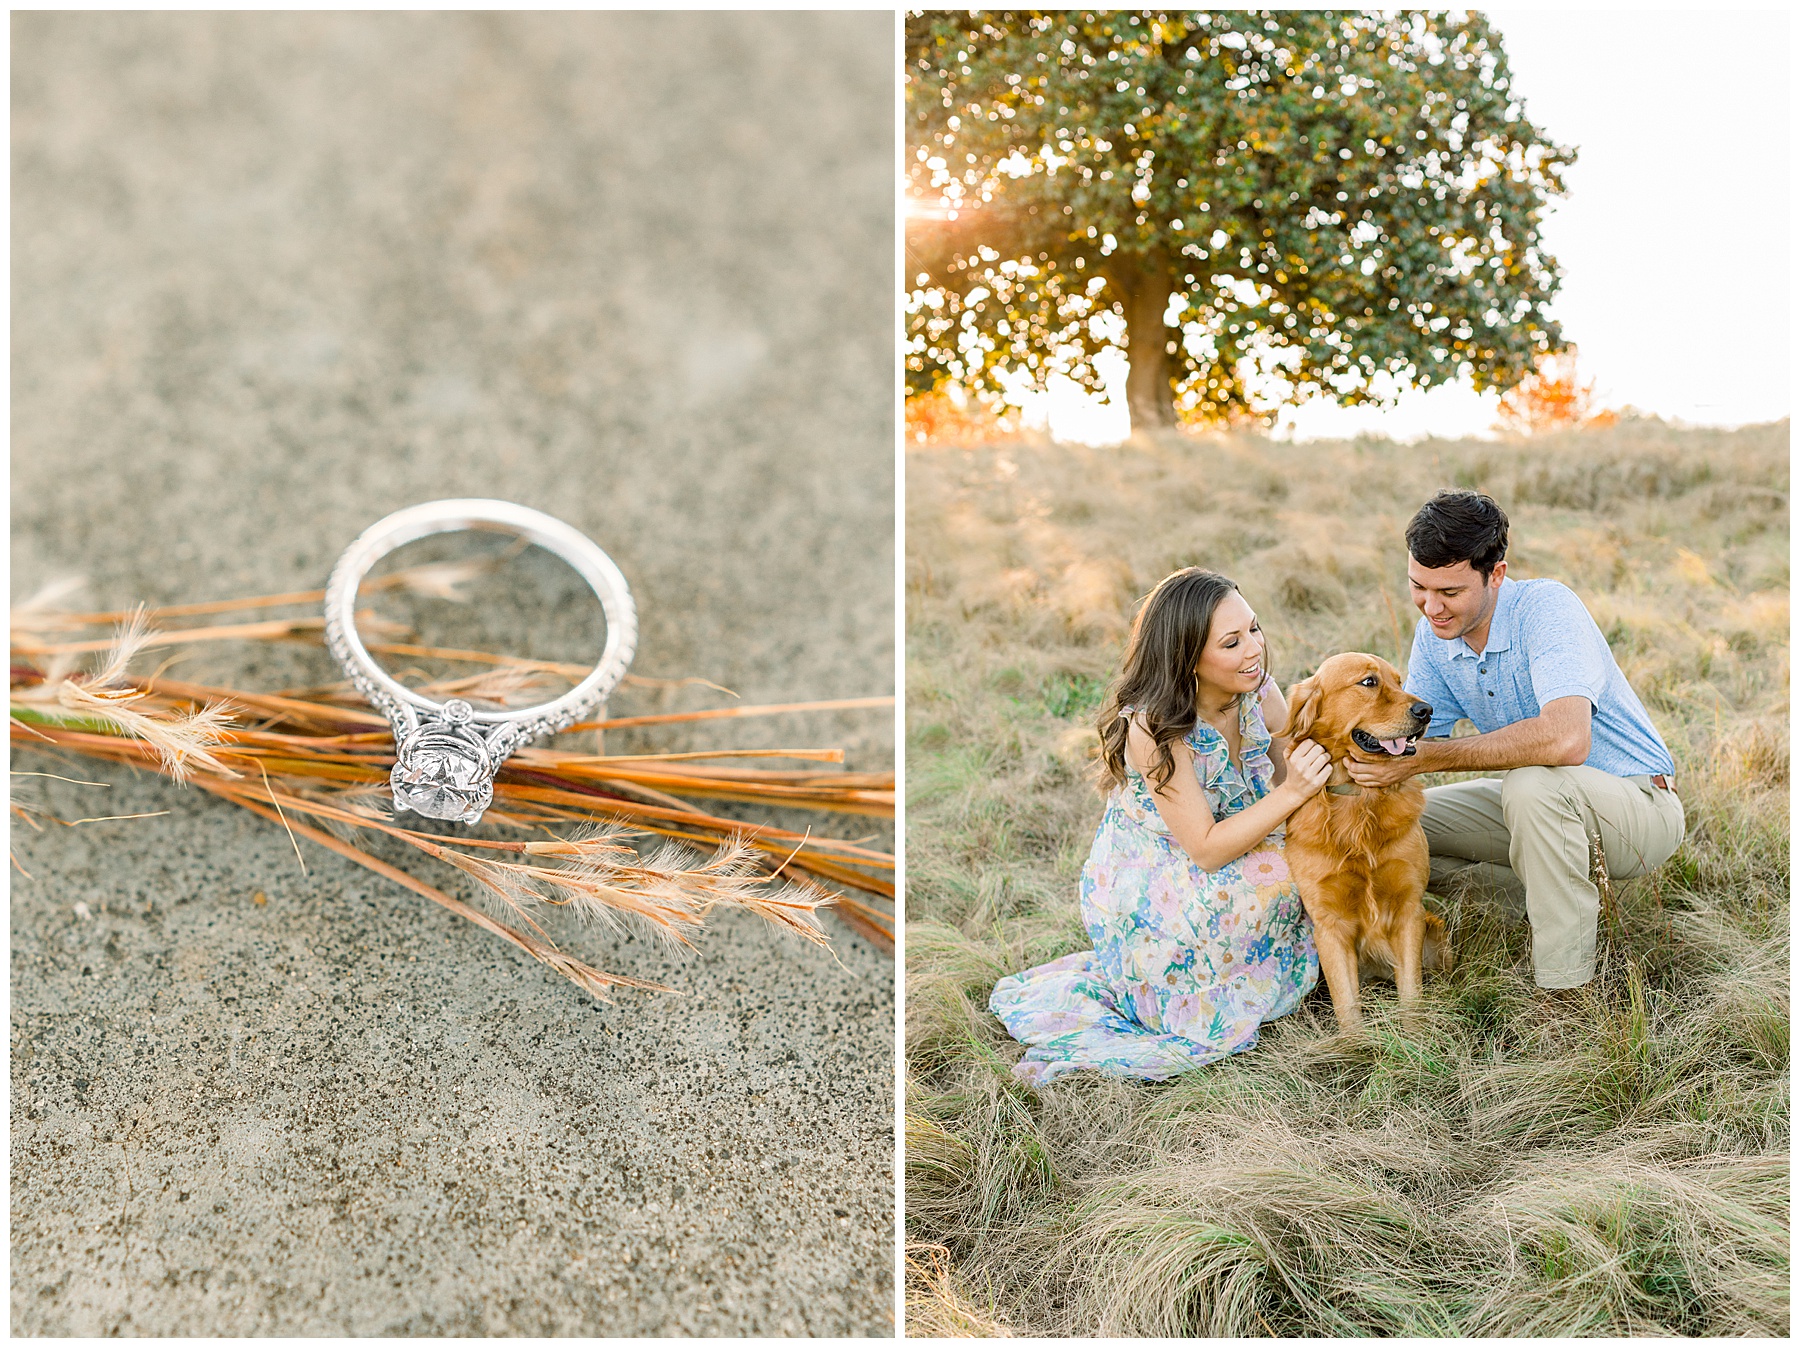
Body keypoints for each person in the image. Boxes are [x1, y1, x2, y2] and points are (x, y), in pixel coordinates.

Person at [989, 568, 1333, 1085]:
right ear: (1187, 657)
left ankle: (1306, 960)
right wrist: (1290, 794)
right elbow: (1207, 848)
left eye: (1255, 629)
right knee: (1278, 875)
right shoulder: (1154, 727)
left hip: (1244, 834)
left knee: (1313, 857)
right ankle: (1205, 989)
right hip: (1163, 873)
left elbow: (1294, 779)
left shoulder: (1259, 690)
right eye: (1231, 642)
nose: (1253, 650)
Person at [1346, 489, 1684, 990]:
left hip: (1639, 806)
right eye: (1419, 587)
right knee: (1394, 829)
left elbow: (1567, 741)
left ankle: (1565, 989)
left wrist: (1426, 759)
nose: (1431, 607)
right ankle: (1566, 901)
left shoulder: (1547, 608)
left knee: (1530, 784)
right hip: (1542, 810)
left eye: (1450, 593)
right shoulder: (1434, 635)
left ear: (1495, 574)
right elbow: (1411, 743)